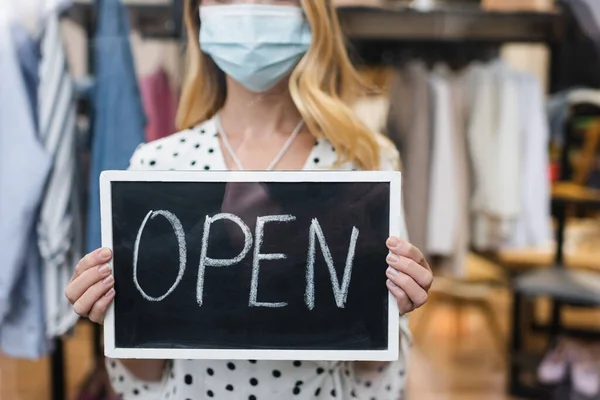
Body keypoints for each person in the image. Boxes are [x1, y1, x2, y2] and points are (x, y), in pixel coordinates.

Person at [65, 0, 433, 399]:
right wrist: (118, 317)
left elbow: (376, 379)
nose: (249, 9)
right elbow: (145, 380)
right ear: (197, 16)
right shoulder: (158, 165)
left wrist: (388, 309)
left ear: (312, 14)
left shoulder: (365, 165)